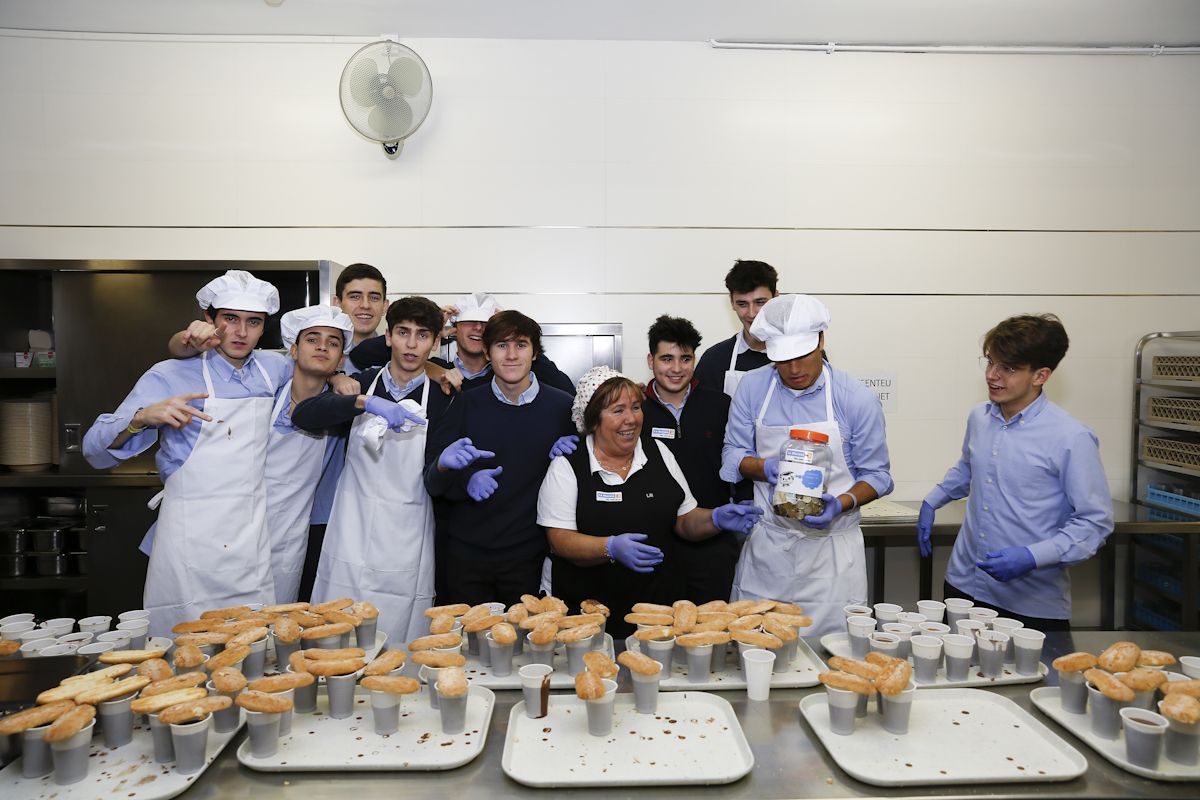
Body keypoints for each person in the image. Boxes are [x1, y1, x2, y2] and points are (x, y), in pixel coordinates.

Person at [82, 270, 291, 637]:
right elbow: (94, 451)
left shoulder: (274, 370)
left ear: (263, 329)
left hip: (250, 544)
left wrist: (337, 378)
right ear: (208, 322)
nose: (241, 332)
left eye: (253, 322)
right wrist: (141, 419)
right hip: (189, 542)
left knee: (252, 646)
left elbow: (318, 365)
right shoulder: (169, 375)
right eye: (230, 319)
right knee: (184, 649)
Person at [917, 314, 1113, 630]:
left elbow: (1094, 523)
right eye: (990, 362)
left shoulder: (1070, 437)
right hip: (965, 586)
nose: (993, 376)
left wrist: (1032, 556)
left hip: (1030, 602)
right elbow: (969, 466)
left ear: (1041, 375)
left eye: (1008, 368)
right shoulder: (980, 418)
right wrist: (933, 500)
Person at [538, 368, 764, 640]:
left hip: (656, 609)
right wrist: (609, 548)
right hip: (588, 612)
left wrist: (715, 519)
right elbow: (559, 540)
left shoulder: (658, 451)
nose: (631, 419)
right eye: (618, 410)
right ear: (593, 419)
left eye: (635, 407)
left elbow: (684, 518)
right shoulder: (567, 466)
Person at [721, 294, 893, 636]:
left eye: (803, 356)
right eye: (783, 360)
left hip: (832, 560)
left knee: (833, 661)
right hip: (769, 550)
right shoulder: (753, 389)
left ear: (821, 342)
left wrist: (841, 503)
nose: (795, 370)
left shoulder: (854, 398)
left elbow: (879, 476)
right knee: (757, 652)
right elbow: (731, 455)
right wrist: (763, 468)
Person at [291, 296, 449, 644]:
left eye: (422, 335)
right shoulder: (359, 384)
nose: (411, 344)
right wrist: (360, 401)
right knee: (338, 632)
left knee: (398, 636)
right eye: (403, 332)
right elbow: (303, 415)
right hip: (352, 530)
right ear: (388, 336)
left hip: (407, 535)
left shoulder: (444, 396)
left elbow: (438, 481)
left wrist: (450, 468)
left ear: (436, 342)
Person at [425, 311, 576, 607]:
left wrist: (573, 458)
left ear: (535, 353)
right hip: (467, 556)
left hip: (530, 556)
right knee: (469, 646)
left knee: (529, 645)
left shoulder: (562, 407)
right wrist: (464, 480)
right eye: (501, 345)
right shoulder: (464, 402)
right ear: (487, 352)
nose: (511, 355)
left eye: (520, 345)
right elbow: (432, 478)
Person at [641, 315, 739, 603]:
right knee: (655, 636)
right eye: (666, 359)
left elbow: (740, 463)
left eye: (685, 359)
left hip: (712, 543)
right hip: (653, 546)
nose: (676, 369)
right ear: (651, 360)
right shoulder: (635, 411)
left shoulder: (720, 406)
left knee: (709, 637)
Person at [262, 305, 354, 604]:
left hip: (294, 533)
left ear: (341, 359)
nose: (322, 347)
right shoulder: (264, 397)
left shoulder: (339, 410)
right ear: (293, 349)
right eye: (313, 339)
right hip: (240, 526)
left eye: (333, 342)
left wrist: (338, 381)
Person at [346, 291, 577, 396]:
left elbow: (565, 390)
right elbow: (361, 356)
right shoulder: (436, 368)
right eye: (469, 322)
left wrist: (513, 331)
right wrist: (432, 324)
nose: (477, 328)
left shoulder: (507, 376)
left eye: (485, 324)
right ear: (455, 328)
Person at [694, 260, 778, 397]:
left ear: (776, 297)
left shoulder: (802, 354)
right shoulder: (714, 359)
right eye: (742, 304)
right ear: (732, 302)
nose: (752, 313)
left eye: (760, 302)